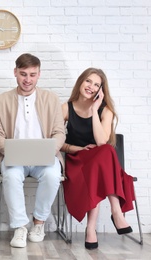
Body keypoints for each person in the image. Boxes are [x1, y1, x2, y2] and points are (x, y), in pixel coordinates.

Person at [0, 53, 65, 248]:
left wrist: (51, 150)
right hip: (14, 157)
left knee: (52, 176)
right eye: (23, 74)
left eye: (32, 75)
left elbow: (59, 132)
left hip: (45, 158)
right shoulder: (1, 100)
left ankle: (39, 223)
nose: (27, 79)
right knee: (11, 177)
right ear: (15, 72)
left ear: (39, 74)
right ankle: (20, 227)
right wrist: (8, 150)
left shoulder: (51, 99)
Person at [61, 67, 134, 250]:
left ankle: (91, 228)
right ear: (80, 81)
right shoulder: (66, 108)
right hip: (77, 160)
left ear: (101, 90)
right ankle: (115, 212)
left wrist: (94, 110)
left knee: (106, 151)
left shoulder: (105, 110)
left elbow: (102, 141)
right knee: (106, 154)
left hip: (99, 163)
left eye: (96, 85)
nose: (91, 87)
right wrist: (79, 148)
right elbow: (56, 142)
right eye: (88, 81)